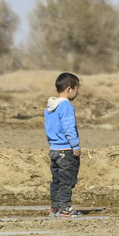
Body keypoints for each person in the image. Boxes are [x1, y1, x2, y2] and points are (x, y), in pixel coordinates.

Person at [45, 72, 82, 218]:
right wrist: (76, 145)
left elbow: (50, 128)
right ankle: (65, 209)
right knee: (67, 181)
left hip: (54, 149)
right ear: (69, 89)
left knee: (57, 181)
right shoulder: (66, 106)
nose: (77, 92)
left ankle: (55, 208)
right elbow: (68, 127)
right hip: (66, 150)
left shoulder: (50, 107)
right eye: (77, 88)